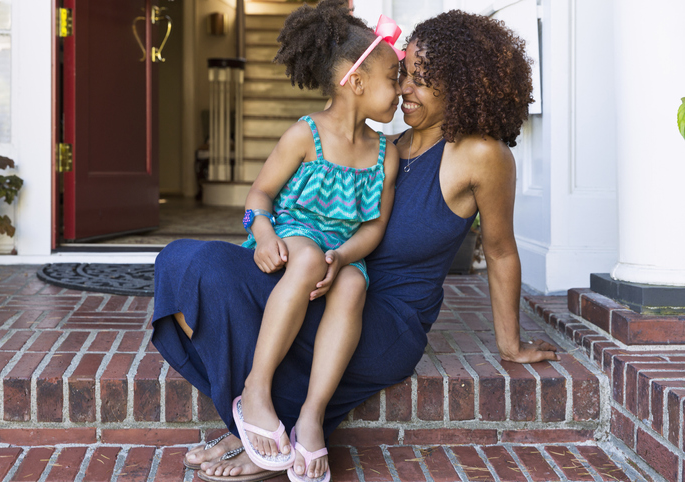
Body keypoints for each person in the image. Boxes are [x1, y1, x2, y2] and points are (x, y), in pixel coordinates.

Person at [151, 8, 559, 482]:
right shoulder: (387, 147)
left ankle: (265, 443)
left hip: (385, 321)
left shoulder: (480, 155)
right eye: (405, 74)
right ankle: (259, 424)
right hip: (323, 286)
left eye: (423, 81)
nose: (405, 88)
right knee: (189, 263)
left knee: (265, 301)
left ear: (464, 86)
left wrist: (510, 344)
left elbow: (501, 250)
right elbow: (275, 201)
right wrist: (270, 234)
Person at [229, 1, 403, 480]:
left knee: (353, 287)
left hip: (342, 249)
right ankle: (256, 390)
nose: (402, 90)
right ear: (357, 79)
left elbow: (373, 228)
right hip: (294, 233)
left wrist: (343, 256)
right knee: (305, 257)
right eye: (394, 77)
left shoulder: (384, 155)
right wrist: (261, 231)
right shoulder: (305, 135)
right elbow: (258, 195)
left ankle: (311, 416)